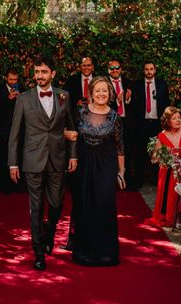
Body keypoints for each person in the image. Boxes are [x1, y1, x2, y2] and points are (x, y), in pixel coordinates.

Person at [8, 55, 78, 271]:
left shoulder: (64, 96)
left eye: (44, 72)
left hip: (58, 158)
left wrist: (73, 155)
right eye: (37, 72)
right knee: (36, 207)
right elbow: (15, 134)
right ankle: (38, 253)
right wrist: (13, 163)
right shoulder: (24, 99)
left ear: (53, 74)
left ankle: (50, 229)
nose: (40, 76)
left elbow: (71, 127)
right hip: (32, 160)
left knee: (56, 203)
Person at [72, 76, 124, 266]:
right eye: (98, 90)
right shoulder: (80, 112)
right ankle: (85, 249)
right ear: (91, 94)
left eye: (105, 90)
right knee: (84, 203)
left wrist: (122, 172)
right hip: (84, 162)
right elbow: (72, 135)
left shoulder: (115, 116)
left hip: (107, 163)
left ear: (110, 94)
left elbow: (119, 146)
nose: (101, 93)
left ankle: (106, 251)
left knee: (104, 203)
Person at [145, 106, 181, 227]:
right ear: (167, 121)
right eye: (174, 118)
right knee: (171, 194)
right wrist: (161, 157)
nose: (178, 120)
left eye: (179, 118)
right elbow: (155, 158)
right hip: (169, 171)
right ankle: (171, 217)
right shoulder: (161, 136)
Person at [130, 61, 170, 189]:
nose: (149, 71)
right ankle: (138, 180)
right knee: (140, 152)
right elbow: (132, 106)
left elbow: (166, 104)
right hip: (141, 124)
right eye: (146, 69)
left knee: (157, 152)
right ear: (143, 71)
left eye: (151, 69)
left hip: (157, 124)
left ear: (155, 70)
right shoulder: (136, 85)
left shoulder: (162, 85)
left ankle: (156, 180)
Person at [0, 68, 22, 193]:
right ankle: (5, 186)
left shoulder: (22, 90)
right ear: (6, 78)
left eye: (15, 80)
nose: (13, 82)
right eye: (11, 79)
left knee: (18, 157)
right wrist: (8, 99)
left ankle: (17, 184)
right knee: (4, 158)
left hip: (18, 129)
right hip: (4, 130)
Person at [107, 59, 132, 187]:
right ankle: (110, 178)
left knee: (125, 148)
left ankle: (124, 178)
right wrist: (117, 101)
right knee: (111, 149)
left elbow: (135, 104)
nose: (115, 70)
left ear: (121, 69)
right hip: (110, 122)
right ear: (108, 70)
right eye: (112, 68)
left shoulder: (128, 82)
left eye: (117, 67)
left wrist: (127, 99)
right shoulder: (105, 83)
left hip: (125, 121)